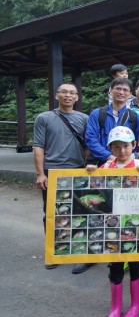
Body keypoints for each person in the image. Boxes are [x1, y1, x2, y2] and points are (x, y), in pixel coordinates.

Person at [85, 126, 139, 317]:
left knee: (136, 264)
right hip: (112, 224)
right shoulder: (106, 167)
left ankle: (136, 304)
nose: (122, 151)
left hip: (135, 223)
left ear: (134, 145)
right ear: (110, 149)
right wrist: (91, 172)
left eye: (126, 146)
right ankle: (116, 307)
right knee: (115, 264)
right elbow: (95, 190)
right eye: (117, 147)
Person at [34, 83, 89, 273]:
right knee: (51, 213)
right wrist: (40, 173)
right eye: (64, 92)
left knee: (80, 213)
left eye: (72, 93)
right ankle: (52, 252)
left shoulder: (84, 118)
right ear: (57, 95)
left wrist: (86, 164)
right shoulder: (44, 118)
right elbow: (38, 146)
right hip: (52, 171)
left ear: (77, 98)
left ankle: (79, 251)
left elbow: (88, 146)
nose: (68, 95)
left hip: (77, 171)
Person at [85, 78, 139, 166]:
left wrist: (125, 158)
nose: (121, 92)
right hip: (99, 163)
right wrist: (108, 156)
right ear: (111, 91)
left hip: (126, 165)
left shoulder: (135, 117)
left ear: (130, 94)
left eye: (125, 90)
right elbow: (90, 138)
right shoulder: (97, 114)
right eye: (118, 88)